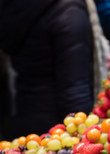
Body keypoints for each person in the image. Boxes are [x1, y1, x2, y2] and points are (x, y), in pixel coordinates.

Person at [0, 0, 101, 139]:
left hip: (24, 117)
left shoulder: (16, 6)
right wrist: (84, 136)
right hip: (58, 131)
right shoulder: (68, 9)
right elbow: (75, 88)